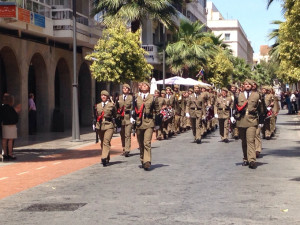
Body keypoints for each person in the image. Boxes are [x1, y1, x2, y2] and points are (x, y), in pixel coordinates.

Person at [236, 79, 264, 169]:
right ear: (243, 86)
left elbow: (261, 109)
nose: (247, 85)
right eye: (246, 84)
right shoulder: (238, 95)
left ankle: (252, 160)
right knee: (244, 141)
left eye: (249, 84)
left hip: (252, 120)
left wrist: (261, 121)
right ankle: (245, 158)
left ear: (252, 86)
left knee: (250, 140)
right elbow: (234, 107)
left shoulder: (257, 95)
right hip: (241, 120)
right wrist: (233, 117)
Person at [135, 81, 159, 170]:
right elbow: (133, 108)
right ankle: (142, 158)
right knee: (141, 143)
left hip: (149, 122)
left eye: (146, 85)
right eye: (143, 85)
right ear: (140, 87)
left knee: (147, 143)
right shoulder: (136, 97)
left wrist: (157, 122)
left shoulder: (152, 97)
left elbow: (157, 110)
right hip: (139, 122)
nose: (144, 86)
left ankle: (147, 161)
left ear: (148, 87)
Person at [96, 90, 116, 167]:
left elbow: (114, 114)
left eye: (105, 95)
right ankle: (107, 157)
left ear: (107, 97)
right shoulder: (98, 105)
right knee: (102, 142)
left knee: (106, 141)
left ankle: (103, 157)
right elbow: (96, 115)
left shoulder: (111, 105)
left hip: (109, 125)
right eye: (102, 95)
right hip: (100, 125)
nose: (103, 97)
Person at [116, 84, 134, 157]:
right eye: (123, 88)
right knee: (122, 134)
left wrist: (132, 117)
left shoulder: (131, 98)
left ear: (129, 90)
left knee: (127, 134)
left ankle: (127, 150)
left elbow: (133, 108)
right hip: (121, 118)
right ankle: (124, 148)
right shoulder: (119, 98)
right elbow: (116, 108)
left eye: (126, 88)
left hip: (128, 117)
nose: (125, 89)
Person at [0, 93, 18, 160]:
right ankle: (10, 154)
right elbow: (16, 117)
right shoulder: (11, 108)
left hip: (4, 124)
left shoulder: (2, 107)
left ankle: (5, 153)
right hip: (11, 125)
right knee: (10, 140)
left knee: (4, 139)